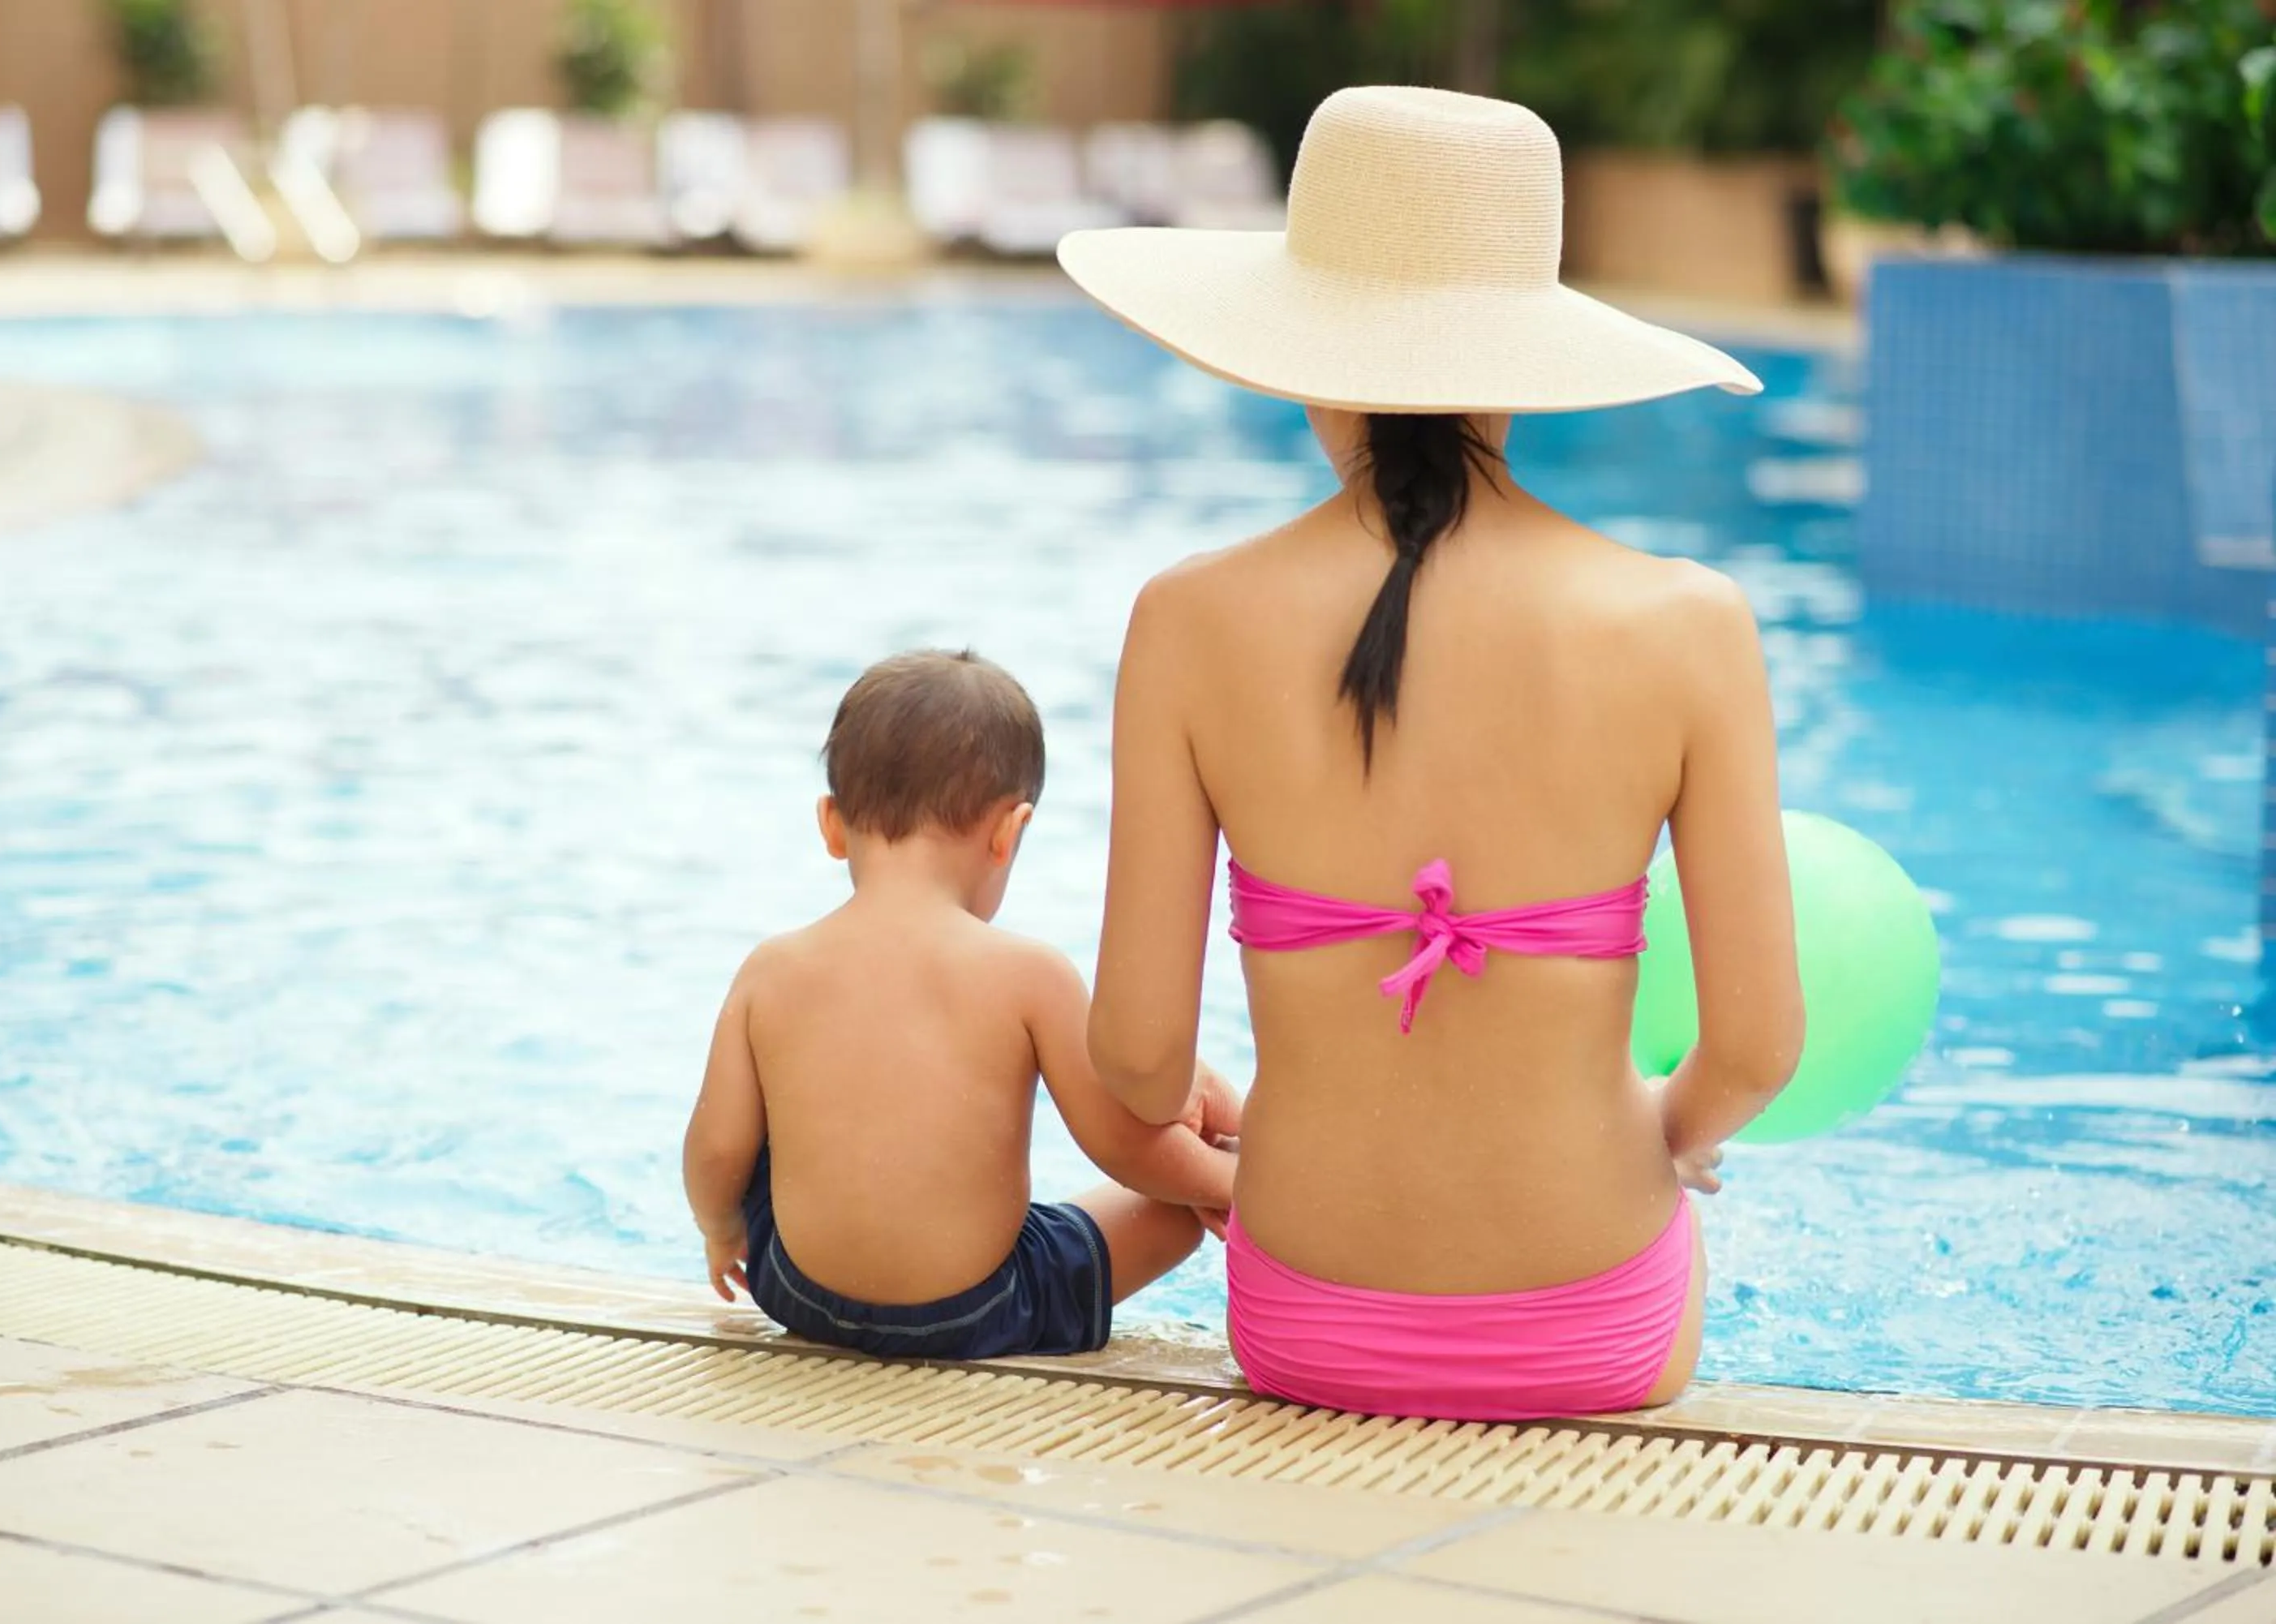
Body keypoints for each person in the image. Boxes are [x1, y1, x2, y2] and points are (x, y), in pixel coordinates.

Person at [1057, 88, 1805, 1421]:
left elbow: (1136, 1058)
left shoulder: (1188, 619)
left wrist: (1208, 1109)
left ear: (1299, 346)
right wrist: (1650, 1134)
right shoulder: (1690, 623)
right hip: (1595, 1327)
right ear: (1529, 353)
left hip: (1304, 1314)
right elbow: (1754, 1053)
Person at [682, 649, 1240, 1360]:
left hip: (796, 1289)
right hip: (976, 1311)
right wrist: (1231, 1183)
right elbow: (1125, 1146)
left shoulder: (771, 968)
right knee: (1170, 1211)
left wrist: (723, 1231)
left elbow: (717, 1149)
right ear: (1009, 833)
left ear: (831, 823)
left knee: (763, 1154)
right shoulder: (1031, 974)